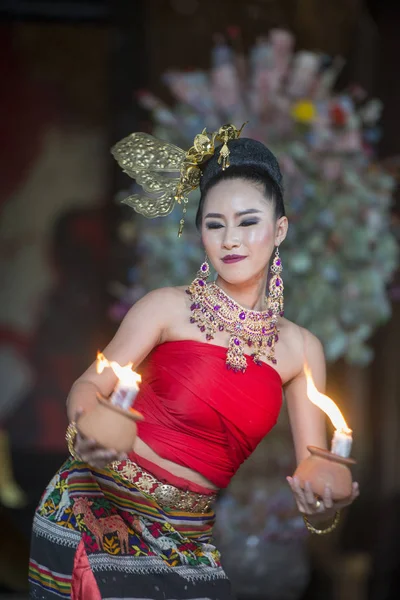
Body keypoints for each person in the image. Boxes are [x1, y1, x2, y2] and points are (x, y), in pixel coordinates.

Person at [29, 124, 359, 600]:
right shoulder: (165, 307)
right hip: (96, 508)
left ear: (280, 229)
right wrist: (89, 427)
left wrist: (325, 504)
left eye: (248, 222)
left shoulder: (302, 350)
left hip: (188, 537)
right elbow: (86, 387)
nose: (230, 240)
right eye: (214, 223)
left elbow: (316, 477)